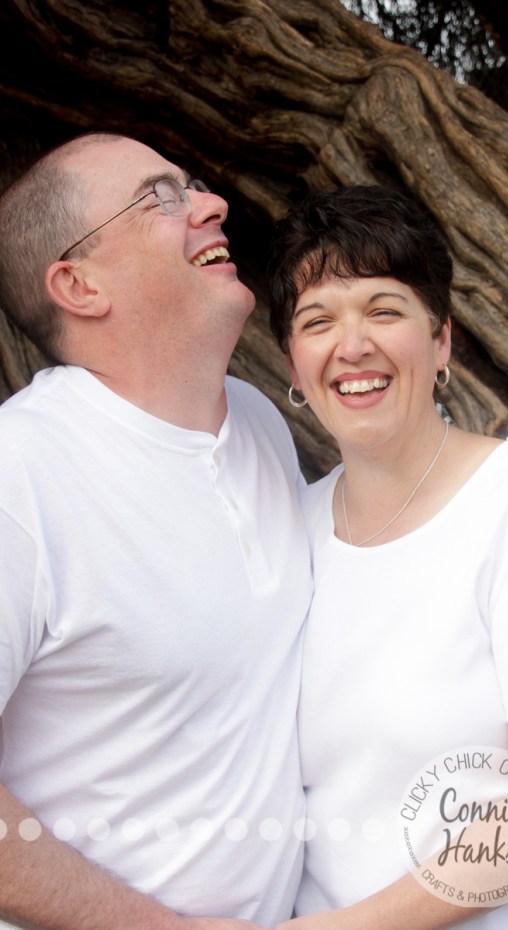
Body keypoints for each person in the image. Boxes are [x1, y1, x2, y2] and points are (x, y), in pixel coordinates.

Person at [265, 184, 508, 930]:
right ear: (295, 368)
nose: (352, 345)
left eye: (384, 310)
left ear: (443, 341)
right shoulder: (286, 530)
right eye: (317, 320)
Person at [0, 133, 313, 930]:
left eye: (195, 185)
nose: (213, 207)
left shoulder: (259, 424)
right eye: (161, 198)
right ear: (79, 283)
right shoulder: (21, 473)